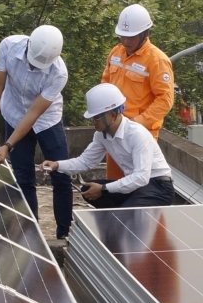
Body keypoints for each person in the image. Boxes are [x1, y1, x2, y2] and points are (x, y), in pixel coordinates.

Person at [0, 24, 73, 238]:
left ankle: (64, 233)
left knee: (61, 175)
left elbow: (33, 114)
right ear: (28, 44)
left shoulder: (58, 73)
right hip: (13, 112)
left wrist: (7, 146)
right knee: (23, 177)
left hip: (47, 120)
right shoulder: (9, 47)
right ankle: (31, 233)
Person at [43, 83, 174, 209]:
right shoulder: (101, 135)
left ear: (112, 115)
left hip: (158, 186)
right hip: (135, 186)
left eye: (97, 118)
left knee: (127, 212)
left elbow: (141, 177)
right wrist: (57, 165)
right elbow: (86, 161)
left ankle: (125, 219)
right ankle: (120, 218)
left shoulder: (137, 134)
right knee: (88, 190)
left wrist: (104, 189)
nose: (93, 122)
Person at [100, 4, 174, 179]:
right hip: (115, 130)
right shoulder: (116, 53)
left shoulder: (157, 60)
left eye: (130, 37)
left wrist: (136, 123)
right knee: (115, 184)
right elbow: (105, 84)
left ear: (144, 34)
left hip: (141, 133)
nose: (125, 41)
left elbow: (165, 100)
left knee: (138, 183)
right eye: (122, 36)